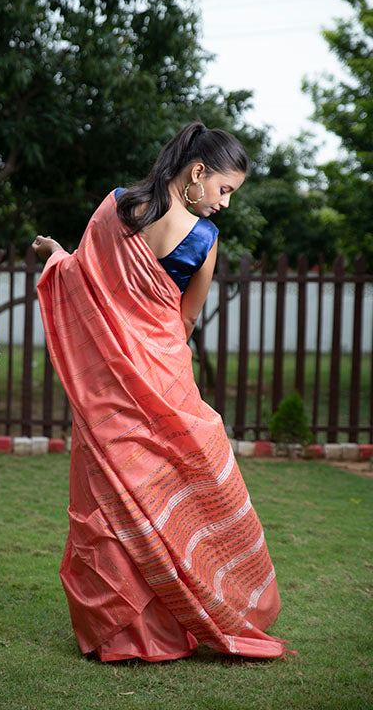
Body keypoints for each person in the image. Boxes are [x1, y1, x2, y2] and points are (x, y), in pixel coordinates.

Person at [32, 121, 297, 662]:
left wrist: (58, 257)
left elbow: (82, 279)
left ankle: (120, 633)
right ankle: (182, 616)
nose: (224, 204)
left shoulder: (114, 209)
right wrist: (153, 356)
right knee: (173, 491)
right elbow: (183, 321)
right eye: (224, 190)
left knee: (109, 501)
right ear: (197, 173)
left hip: (107, 391)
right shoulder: (203, 241)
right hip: (164, 383)